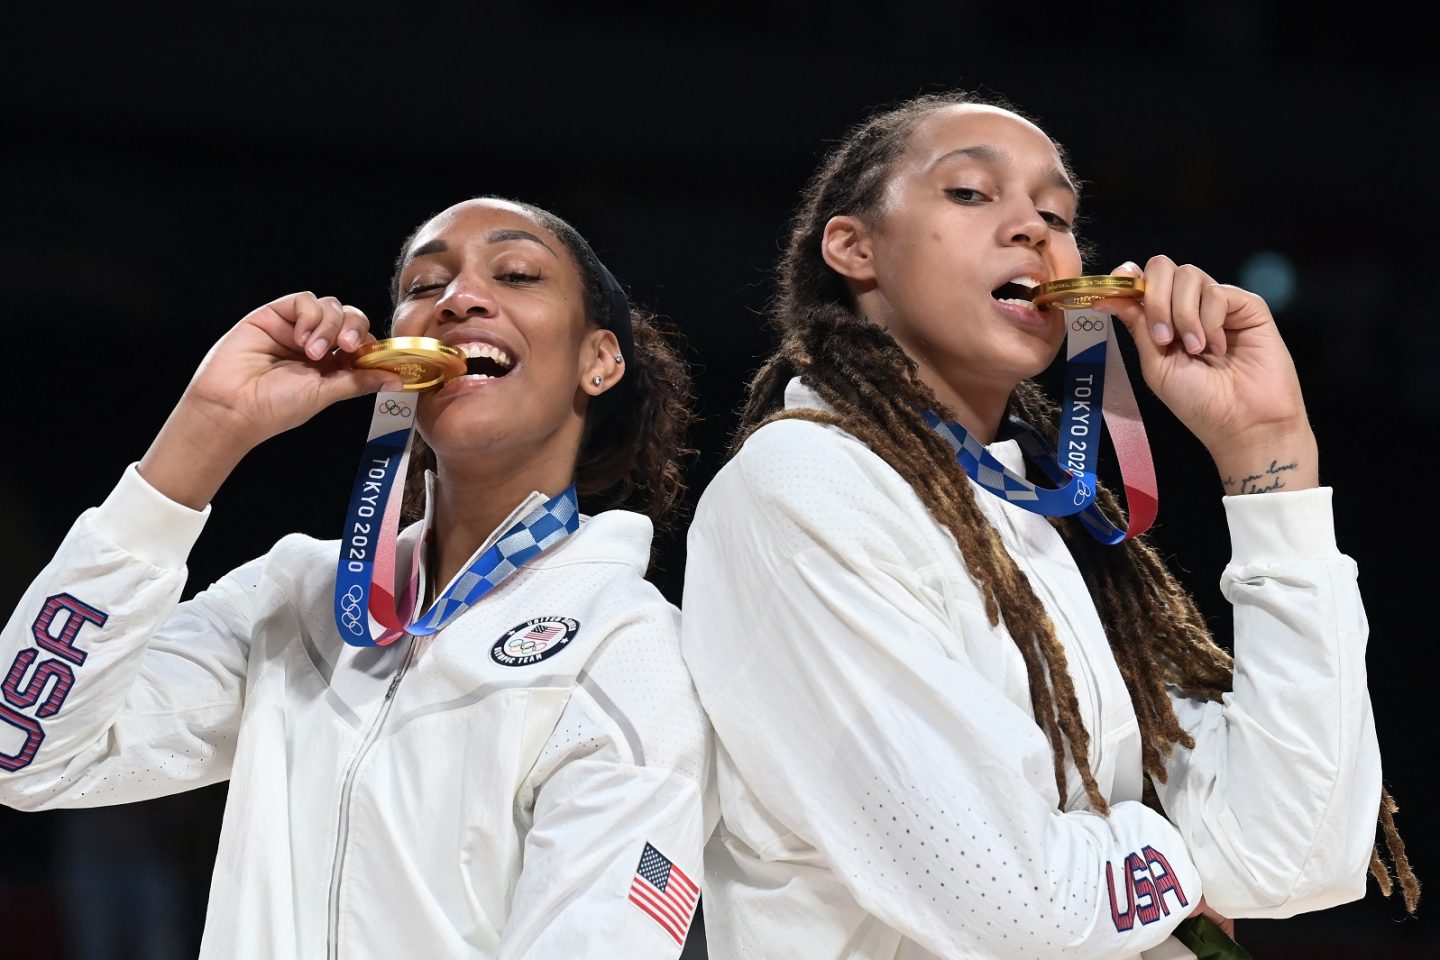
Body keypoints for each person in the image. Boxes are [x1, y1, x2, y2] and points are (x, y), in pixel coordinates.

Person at [679, 90, 1417, 959]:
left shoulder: (1049, 513)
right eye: (969, 192)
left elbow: (1298, 854)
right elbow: (1011, 900)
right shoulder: (805, 484)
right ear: (854, 247)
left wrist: (1270, 462)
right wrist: (1187, 861)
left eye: (1058, 211)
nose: (1035, 226)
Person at [0, 196, 714, 959]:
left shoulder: (627, 647)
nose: (458, 298)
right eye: (422, 286)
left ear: (599, 360)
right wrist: (208, 428)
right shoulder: (296, 598)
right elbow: (24, 752)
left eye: (515, 274)